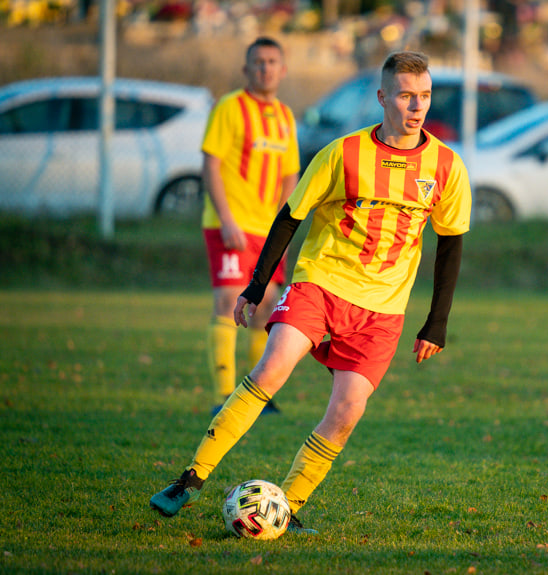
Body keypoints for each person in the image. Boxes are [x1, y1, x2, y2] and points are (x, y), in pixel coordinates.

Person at [150, 51, 472, 533]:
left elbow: (450, 245)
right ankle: (190, 480)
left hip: (383, 310)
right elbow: (291, 216)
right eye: (406, 95)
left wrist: (437, 322)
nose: (416, 106)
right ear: (383, 97)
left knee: (346, 413)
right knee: (272, 368)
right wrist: (256, 288)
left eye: (424, 96)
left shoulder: (447, 166)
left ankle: (291, 506)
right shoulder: (342, 153)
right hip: (320, 283)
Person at [201, 36, 300, 416]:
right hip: (229, 225)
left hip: (267, 230)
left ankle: (259, 394)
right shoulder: (229, 108)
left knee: (269, 306)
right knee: (229, 302)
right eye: (258, 62)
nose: (265, 68)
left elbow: (290, 173)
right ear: (246, 69)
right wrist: (226, 219)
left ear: (283, 69)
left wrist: (282, 228)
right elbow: (211, 164)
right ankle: (223, 395)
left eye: (272, 61)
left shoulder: (286, 116)